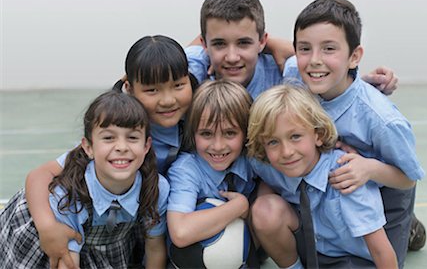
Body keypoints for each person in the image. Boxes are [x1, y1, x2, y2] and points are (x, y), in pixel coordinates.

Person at [24, 35, 195, 268]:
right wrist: (47, 227)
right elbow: (39, 175)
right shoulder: (117, 130)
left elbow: (210, 39)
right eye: (152, 89)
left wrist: (262, 41)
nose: (167, 100)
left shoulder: (195, 123)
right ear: (129, 88)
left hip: (131, 210)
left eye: (178, 85)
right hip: (62, 217)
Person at [287, 0, 425, 267]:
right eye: (305, 48)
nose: (314, 61)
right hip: (334, 196)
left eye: (329, 49)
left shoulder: (381, 119)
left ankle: (410, 229)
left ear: (354, 56)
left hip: (385, 196)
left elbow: (409, 178)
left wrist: (370, 169)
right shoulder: (296, 75)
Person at [0, 90, 169, 268]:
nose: (121, 147)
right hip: (46, 229)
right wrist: (46, 226)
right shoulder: (68, 194)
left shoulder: (156, 188)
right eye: (109, 138)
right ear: (88, 147)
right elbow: (66, 262)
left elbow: (155, 248)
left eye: (132, 137)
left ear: (146, 146)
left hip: (102, 241)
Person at [247, 84, 398, 269]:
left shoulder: (345, 176)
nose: (286, 152)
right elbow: (264, 177)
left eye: (295, 136)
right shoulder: (270, 165)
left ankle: (412, 231)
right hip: (314, 248)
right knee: (264, 210)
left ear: (318, 135)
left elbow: (381, 250)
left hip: (353, 259)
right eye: (273, 141)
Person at [185, 0, 398, 100]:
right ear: (205, 45)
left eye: (244, 43)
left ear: (262, 42)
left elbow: (328, 76)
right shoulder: (192, 73)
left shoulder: (287, 72)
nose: (232, 57)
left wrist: (364, 83)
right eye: (220, 44)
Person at [166, 80, 258, 268]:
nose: (217, 146)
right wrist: (239, 206)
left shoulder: (250, 161)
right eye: (206, 134)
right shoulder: (186, 170)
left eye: (229, 133)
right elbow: (180, 232)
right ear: (193, 134)